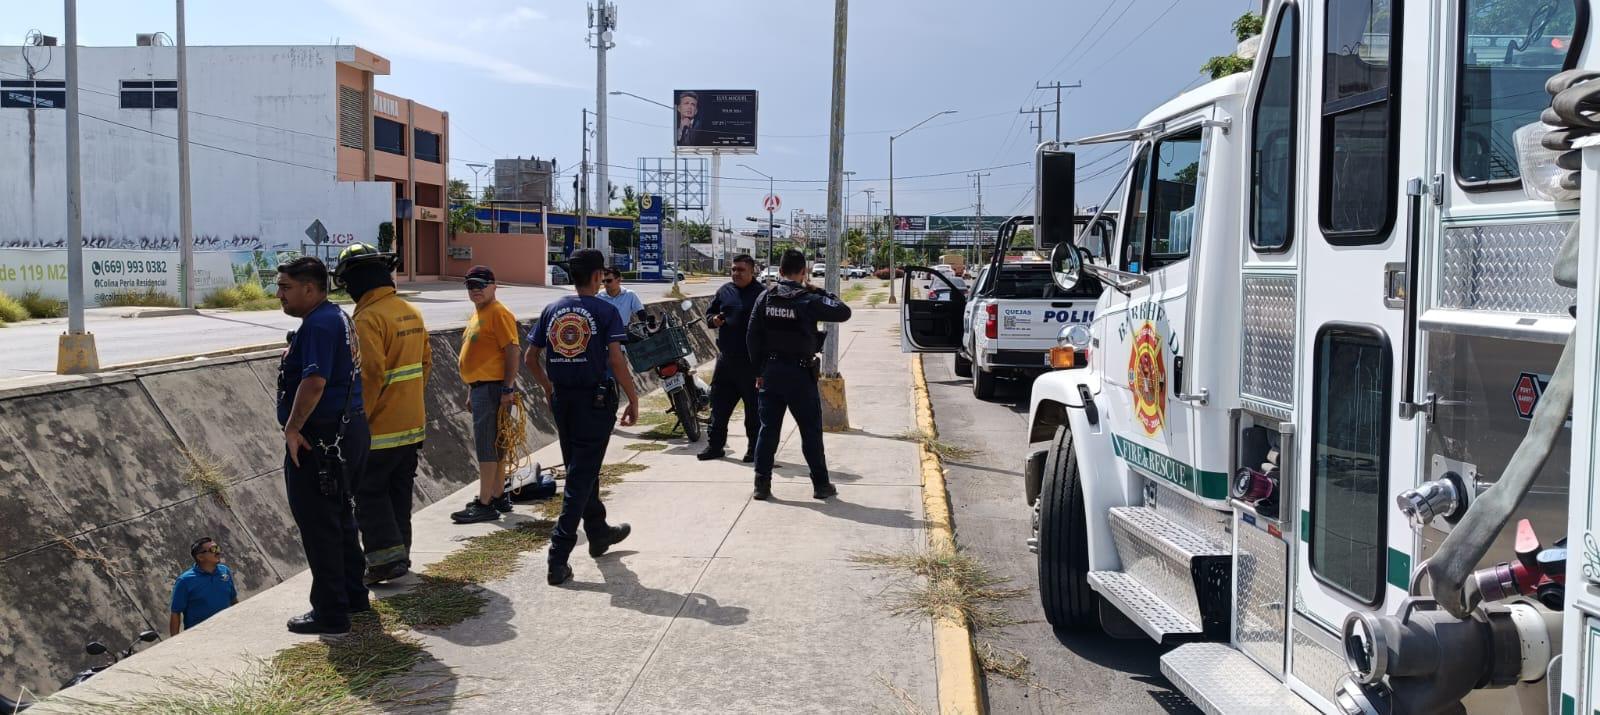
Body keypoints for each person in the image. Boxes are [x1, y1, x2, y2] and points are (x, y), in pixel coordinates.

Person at [525, 248, 641, 586]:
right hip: (595, 401)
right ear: (596, 277)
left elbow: (531, 358)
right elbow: (617, 361)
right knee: (579, 478)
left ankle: (599, 531)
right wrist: (633, 398)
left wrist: (548, 388)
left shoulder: (552, 309)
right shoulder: (605, 312)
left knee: (581, 467)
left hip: (563, 401)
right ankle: (558, 555)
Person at [274, 256, 370, 634]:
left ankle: (331, 611)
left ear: (310, 289)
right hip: (347, 434)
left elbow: (314, 383)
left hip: (322, 441)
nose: (279, 295)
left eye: (285, 288)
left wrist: (293, 429)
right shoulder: (336, 317)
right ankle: (352, 594)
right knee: (341, 518)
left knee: (319, 525)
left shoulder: (318, 325)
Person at [334, 243, 430, 585]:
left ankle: (385, 561)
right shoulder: (408, 311)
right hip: (411, 425)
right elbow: (425, 364)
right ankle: (400, 552)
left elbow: (370, 375)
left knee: (369, 493)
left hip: (380, 429)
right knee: (398, 493)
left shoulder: (366, 318)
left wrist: (359, 420)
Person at [747, 249, 853, 501]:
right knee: (810, 431)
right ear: (803, 272)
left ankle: (762, 485)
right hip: (799, 374)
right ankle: (821, 485)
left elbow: (752, 338)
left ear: (780, 271)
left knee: (768, 430)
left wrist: (759, 371)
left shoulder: (765, 298)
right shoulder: (808, 299)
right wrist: (820, 291)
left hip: (771, 373)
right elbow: (843, 311)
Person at [452, 265, 522, 524]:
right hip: (482, 387)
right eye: (471, 286)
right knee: (497, 443)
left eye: (481, 284)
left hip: (493, 387)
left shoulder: (498, 313)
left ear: (494, 285)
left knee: (487, 444)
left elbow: (512, 350)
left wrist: (507, 387)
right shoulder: (479, 314)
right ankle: (496, 494)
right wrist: (472, 389)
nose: (476, 290)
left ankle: (484, 503)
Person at [698, 254, 763, 462]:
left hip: (751, 364)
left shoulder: (762, 295)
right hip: (726, 361)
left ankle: (754, 449)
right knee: (719, 407)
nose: (736, 273)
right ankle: (715, 446)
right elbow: (709, 315)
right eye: (733, 269)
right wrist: (714, 320)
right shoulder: (724, 291)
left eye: (741, 270)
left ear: (752, 271)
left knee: (753, 412)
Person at [169, 537, 237, 636]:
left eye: (217, 548)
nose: (218, 552)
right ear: (200, 557)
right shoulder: (185, 581)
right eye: (213, 550)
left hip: (228, 630)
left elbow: (233, 600)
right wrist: (174, 643)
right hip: (200, 637)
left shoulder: (225, 571)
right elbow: (175, 613)